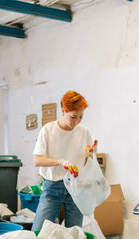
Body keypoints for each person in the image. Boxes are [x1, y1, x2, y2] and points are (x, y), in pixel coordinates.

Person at [32, 90, 93, 231]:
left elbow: (87, 161)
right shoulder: (48, 130)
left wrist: (90, 155)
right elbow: (37, 160)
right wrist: (60, 161)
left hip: (76, 186)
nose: (77, 122)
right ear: (63, 110)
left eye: (80, 117)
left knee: (74, 233)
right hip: (53, 186)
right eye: (73, 117)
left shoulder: (84, 131)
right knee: (38, 230)